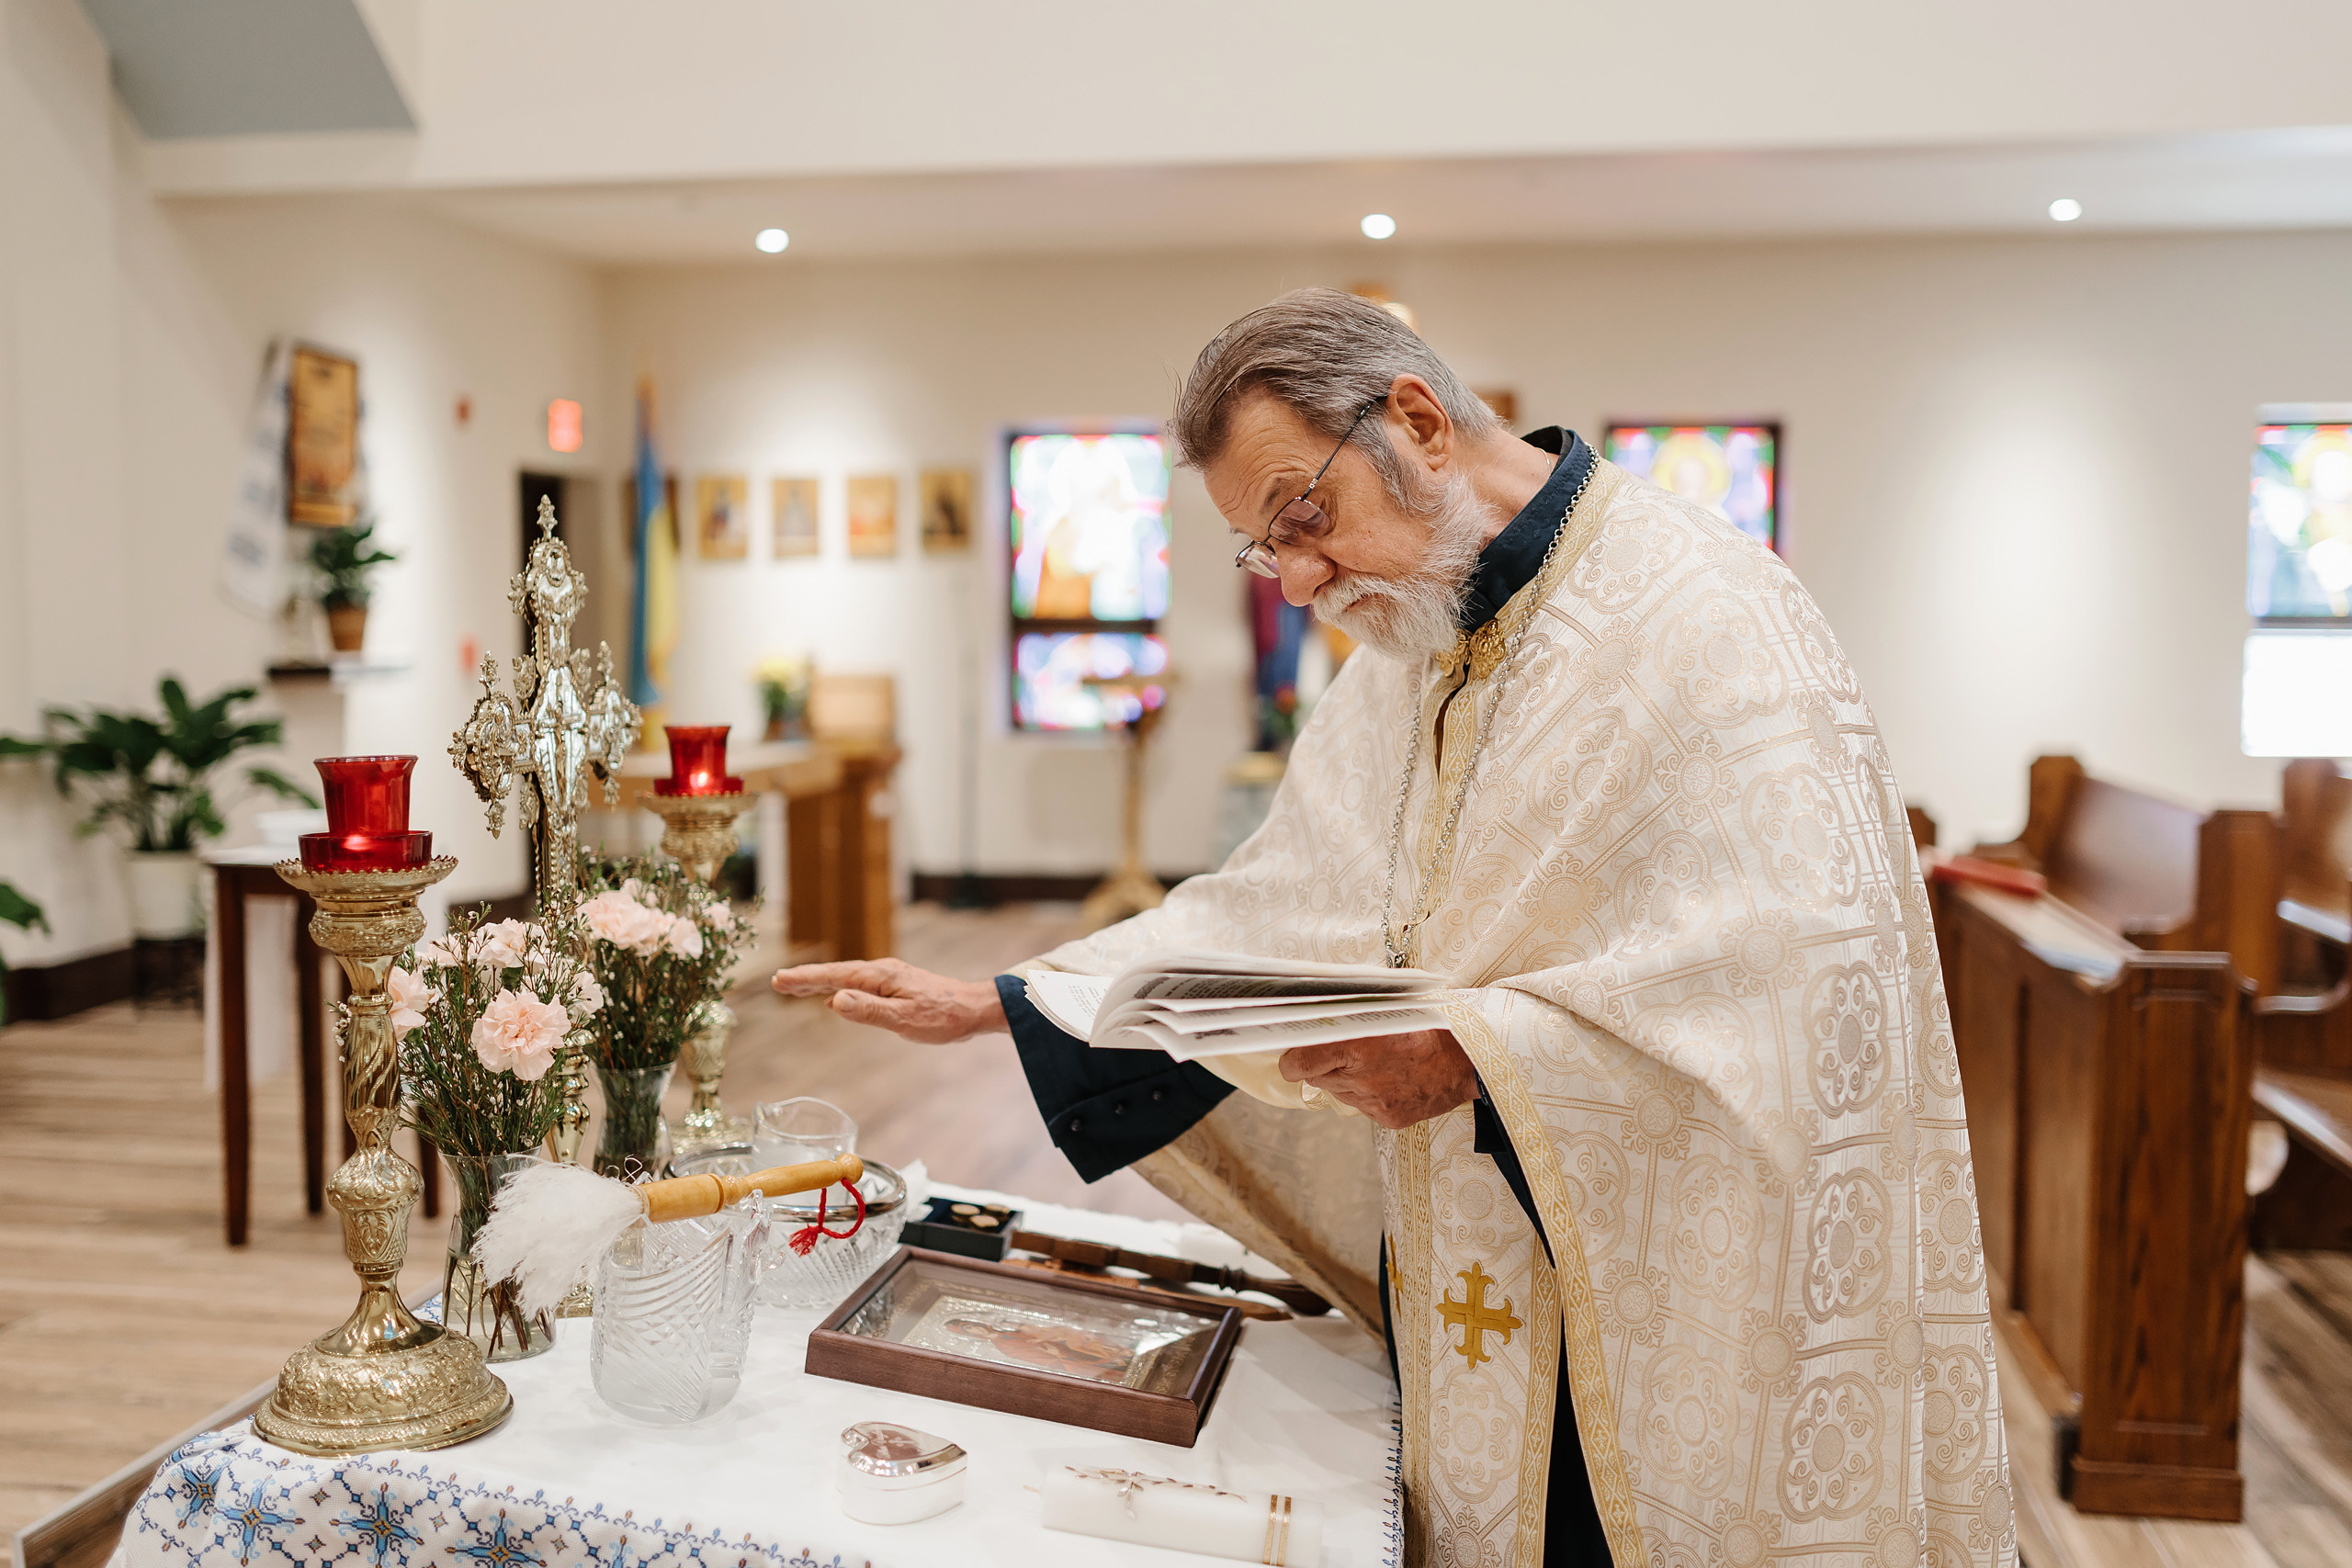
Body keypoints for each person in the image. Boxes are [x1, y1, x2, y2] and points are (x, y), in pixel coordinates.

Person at [775, 288, 2013, 1568]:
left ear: (1418, 422)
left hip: (1675, 1312)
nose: (1300, 581)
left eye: (1304, 520)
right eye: (1266, 553)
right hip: (1474, 1255)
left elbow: (1798, 991)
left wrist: (1477, 1056)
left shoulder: (1709, 615)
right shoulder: (1417, 639)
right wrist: (1019, 997)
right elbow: (1284, 896)